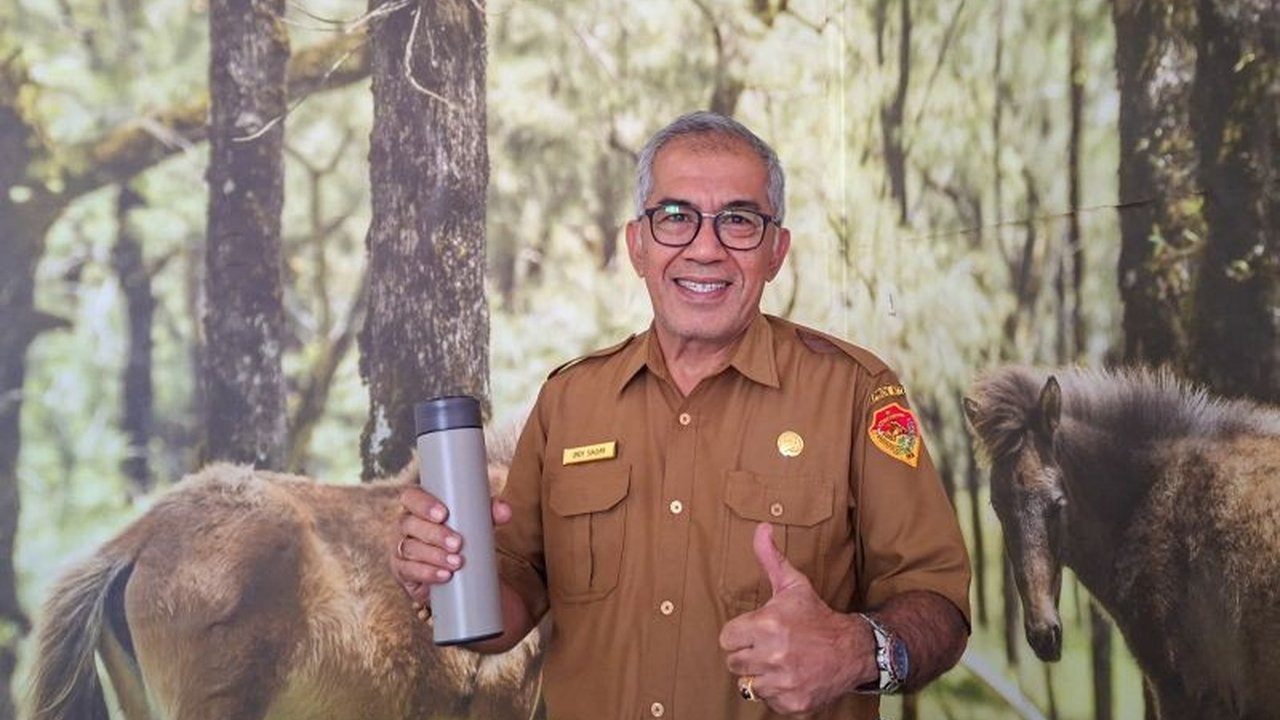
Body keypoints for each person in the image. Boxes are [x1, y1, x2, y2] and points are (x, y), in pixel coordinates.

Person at [392, 111, 971, 719]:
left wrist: (857, 650)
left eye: (739, 222)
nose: (705, 248)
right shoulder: (569, 400)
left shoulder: (857, 393)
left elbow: (938, 607)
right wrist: (446, 572)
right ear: (637, 245)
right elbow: (509, 606)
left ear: (776, 251)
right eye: (675, 218)